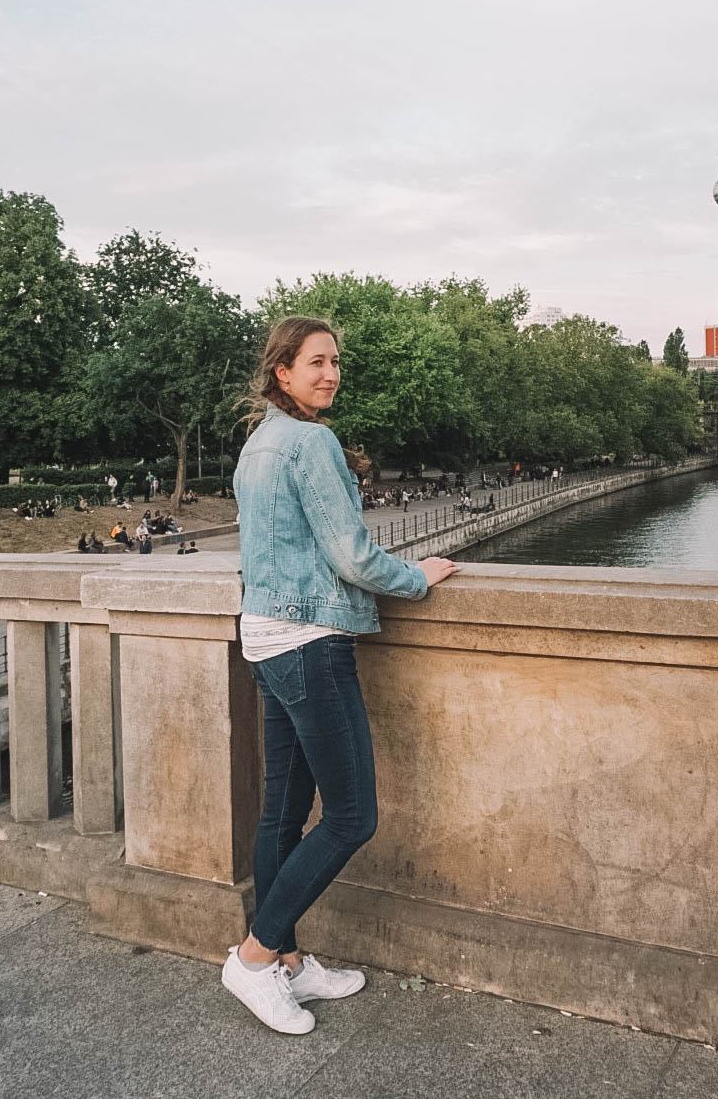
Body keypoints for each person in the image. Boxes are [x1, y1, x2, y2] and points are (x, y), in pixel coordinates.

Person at [219, 316, 457, 1036]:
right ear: (282, 371)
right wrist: (417, 576)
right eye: (316, 362)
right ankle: (255, 958)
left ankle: (286, 961)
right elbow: (353, 558)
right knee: (352, 816)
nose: (331, 374)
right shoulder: (309, 442)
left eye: (336, 363)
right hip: (310, 642)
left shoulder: (258, 444)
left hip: (263, 635)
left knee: (282, 815)